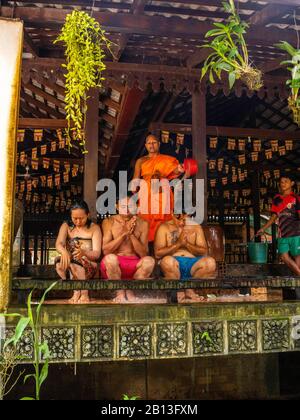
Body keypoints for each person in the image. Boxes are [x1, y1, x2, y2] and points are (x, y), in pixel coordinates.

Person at [100, 196, 155, 302]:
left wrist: (131, 234)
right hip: (114, 266)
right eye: (123, 206)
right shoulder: (108, 222)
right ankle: (120, 293)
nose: (127, 209)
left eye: (131, 206)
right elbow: (106, 251)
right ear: (117, 207)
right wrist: (124, 233)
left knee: (150, 261)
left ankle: (130, 291)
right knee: (110, 258)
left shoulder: (143, 223)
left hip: (134, 265)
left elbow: (144, 253)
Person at [133, 134, 186, 242]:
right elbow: (136, 178)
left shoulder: (166, 159)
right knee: (145, 218)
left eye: (154, 142)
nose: (151, 145)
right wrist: (135, 187)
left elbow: (174, 170)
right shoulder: (141, 161)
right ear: (145, 145)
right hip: (146, 192)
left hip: (163, 192)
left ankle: (164, 242)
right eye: (149, 143)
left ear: (159, 144)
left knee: (165, 218)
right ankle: (146, 244)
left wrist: (180, 169)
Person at [154, 212, 216, 302]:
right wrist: (178, 244)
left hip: (192, 265)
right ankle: (178, 292)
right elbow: (157, 253)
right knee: (167, 261)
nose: (181, 222)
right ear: (172, 214)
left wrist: (187, 244)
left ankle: (190, 290)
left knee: (210, 263)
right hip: (173, 264)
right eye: (178, 218)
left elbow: (203, 251)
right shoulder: (164, 227)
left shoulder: (196, 227)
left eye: (185, 219)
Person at [55, 200, 102, 303]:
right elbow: (59, 243)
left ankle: (83, 293)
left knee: (76, 264)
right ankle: (76, 290)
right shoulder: (66, 226)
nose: (78, 222)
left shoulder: (94, 228)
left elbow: (97, 253)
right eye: (75, 218)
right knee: (59, 264)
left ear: (88, 215)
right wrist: (64, 252)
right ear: (70, 216)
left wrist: (84, 253)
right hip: (72, 263)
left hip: (89, 264)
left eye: (81, 218)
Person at [257, 173, 300, 276]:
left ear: (292, 183)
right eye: (281, 182)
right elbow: (274, 216)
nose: (283, 184)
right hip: (282, 233)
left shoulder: (296, 198)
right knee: (284, 257)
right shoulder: (277, 198)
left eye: (286, 181)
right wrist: (263, 228)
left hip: (296, 233)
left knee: (297, 257)